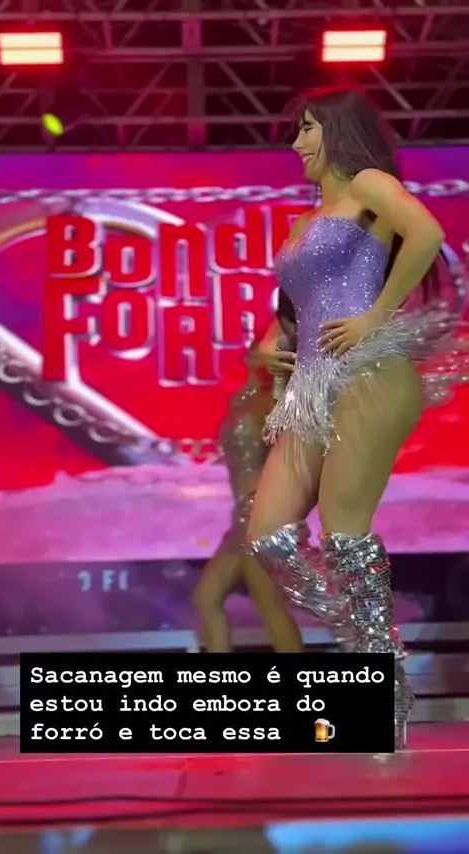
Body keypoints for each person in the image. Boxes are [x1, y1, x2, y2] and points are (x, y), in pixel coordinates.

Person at [247, 86, 450, 750]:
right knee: (270, 538)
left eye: (307, 128)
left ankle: (381, 691)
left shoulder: (368, 183)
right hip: (311, 384)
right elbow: (298, 308)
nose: (297, 143)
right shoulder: (305, 220)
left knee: (343, 534)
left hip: (369, 371)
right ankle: (373, 644)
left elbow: (428, 233)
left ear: (338, 130)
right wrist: (269, 345)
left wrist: (376, 315)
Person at [194, 295, 305, 653]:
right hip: (242, 518)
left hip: (263, 517)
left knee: (269, 605)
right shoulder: (248, 396)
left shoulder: (276, 401)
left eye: (272, 344)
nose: (260, 346)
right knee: (207, 599)